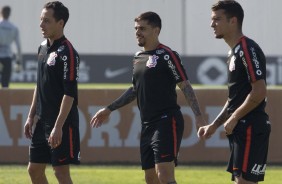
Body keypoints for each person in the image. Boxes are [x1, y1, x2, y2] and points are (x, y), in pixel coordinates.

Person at [90, 11, 206, 184]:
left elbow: (185, 86)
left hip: (167, 121)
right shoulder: (138, 57)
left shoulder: (167, 55)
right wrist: (109, 109)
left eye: (142, 28)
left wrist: (198, 116)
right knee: (150, 178)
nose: (137, 32)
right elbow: (135, 90)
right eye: (136, 28)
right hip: (147, 124)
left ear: (156, 30)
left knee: (164, 176)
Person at [198, 1, 271, 184]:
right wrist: (214, 125)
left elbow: (259, 91)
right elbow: (234, 99)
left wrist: (235, 117)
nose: (211, 24)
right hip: (242, 127)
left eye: (217, 19)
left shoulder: (247, 48)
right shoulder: (233, 53)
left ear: (233, 21)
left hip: (251, 126)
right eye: (212, 19)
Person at [24, 1, 80, 184]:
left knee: (60, 173)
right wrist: (31, 116)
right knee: (34, 170)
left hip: (61, 124)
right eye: (41, 20)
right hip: (42, 121)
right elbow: (39, 85)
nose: (41, 25)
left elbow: (69, 93)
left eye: (46, 21)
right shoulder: (42, 48)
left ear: (60, 23)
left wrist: (58, 127)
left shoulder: (68, 53)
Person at [0, 5, 22, 88]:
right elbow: (18, 46)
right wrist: (18, 61)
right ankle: (4, 101)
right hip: (7, 56)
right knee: (5, 84)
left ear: (1, 12)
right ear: (9, 14)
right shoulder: (13, 27)